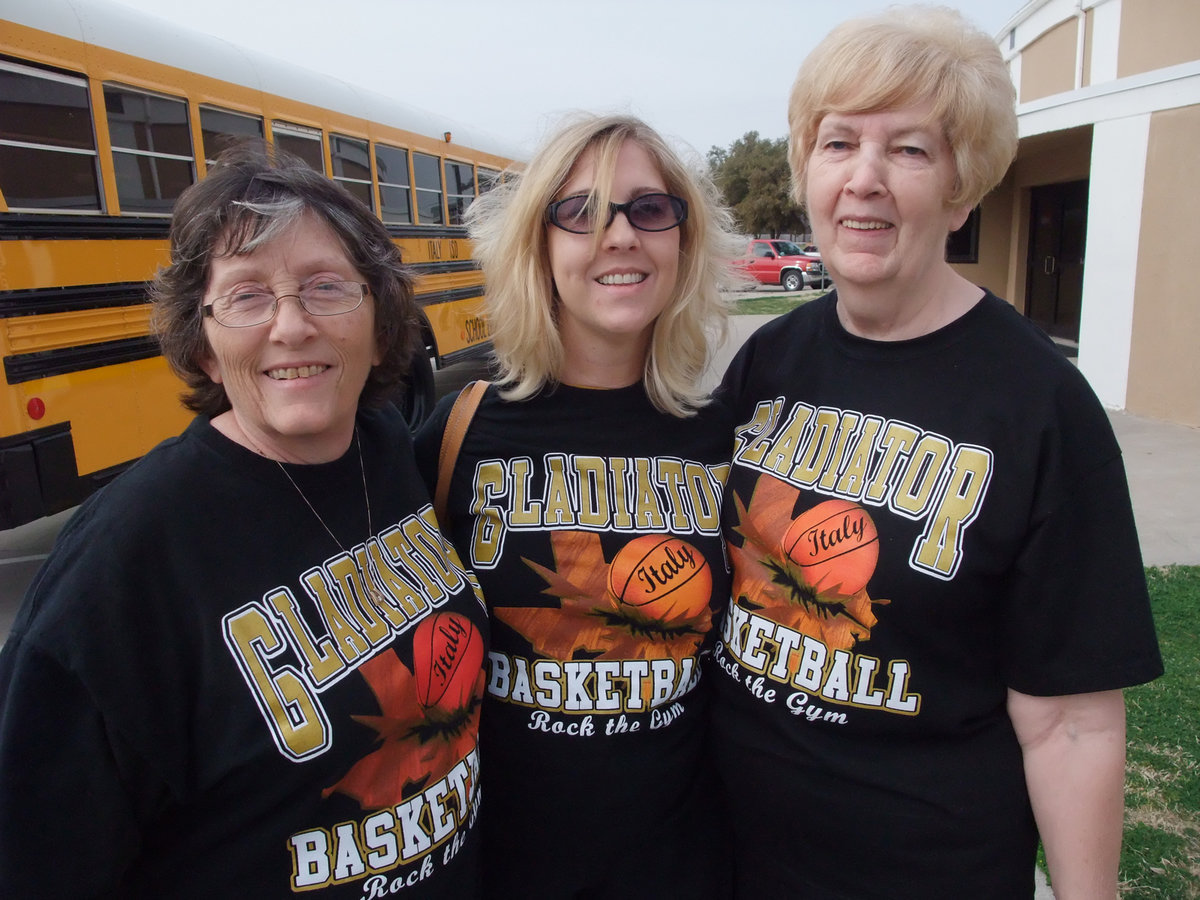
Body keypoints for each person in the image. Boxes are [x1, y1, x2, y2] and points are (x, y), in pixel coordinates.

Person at [710, 7, 1163, 898]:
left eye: (910, 150)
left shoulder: (1040, 404)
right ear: (807, 172)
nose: (865, 180)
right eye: (838, 144)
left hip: (924, 868)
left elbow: (1071, 723)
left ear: (964, 189)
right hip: (732, 851)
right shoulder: (771, 358)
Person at [0, 144, 488, 898]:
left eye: (327, 287)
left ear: (381, 317)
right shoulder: (126, 562)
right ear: (201, 342)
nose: (291, 327)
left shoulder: (394, 456)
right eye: (247, 296)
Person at [413, 113, 741, 898]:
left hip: (683, 870)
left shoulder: (727, 436)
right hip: (507, 870)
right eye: (581, 213)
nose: (619, 235)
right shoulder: (460, 432)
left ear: (682, 243)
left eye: (650, 209)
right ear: (539, 246)